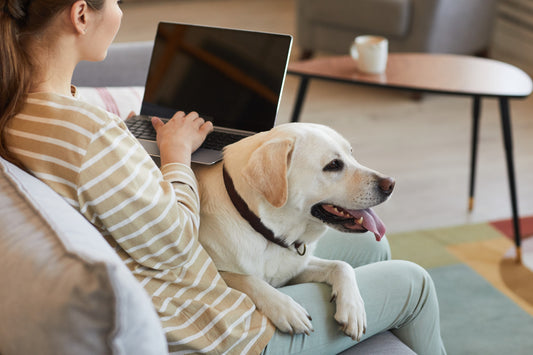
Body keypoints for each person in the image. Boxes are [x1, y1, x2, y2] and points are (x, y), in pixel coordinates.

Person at [0, 0, 447, 354]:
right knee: (416, 283)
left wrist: (133, 146)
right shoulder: (91, 136)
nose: (120, 11)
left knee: (374, 245)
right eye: (115, 0)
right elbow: (176, 241)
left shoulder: (21, 109)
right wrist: (175, 154)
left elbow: (99, 179)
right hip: (221, 326)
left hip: (200, 302)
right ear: (81, 14)